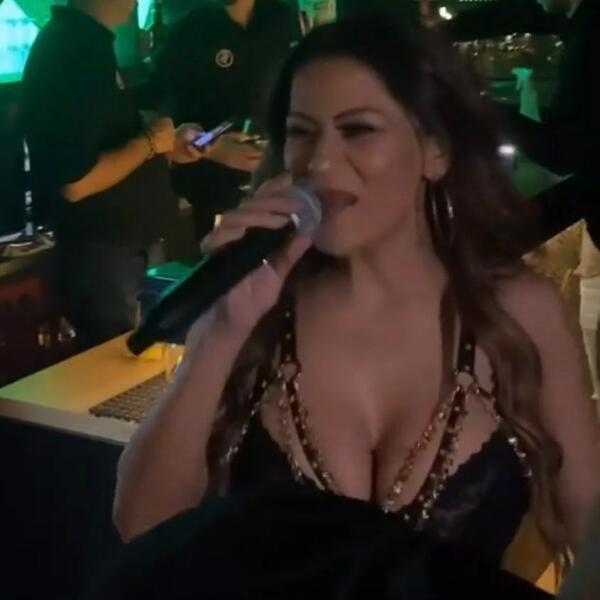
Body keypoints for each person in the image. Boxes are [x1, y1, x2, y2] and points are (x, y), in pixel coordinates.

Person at [106, 11, 600, 598]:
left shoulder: (519, 311)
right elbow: (144, 525)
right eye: (301, 133)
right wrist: (219, 332)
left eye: (358, 130)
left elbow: (591, 520)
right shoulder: (258, 314)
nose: (320, 163)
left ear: (435, 149)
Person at [22, 0, 207, 351]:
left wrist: (165, 148)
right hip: (105, 258)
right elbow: (77, 181)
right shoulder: (73, 48)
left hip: (122, 254)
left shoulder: (86, 41)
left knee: (148, 364)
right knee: (122, 367)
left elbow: (109, 143)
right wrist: (150, 143)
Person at [438, 0, 600, 249]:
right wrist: (444, 31)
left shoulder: (589, 39)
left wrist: (480, 108)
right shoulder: (582, 22)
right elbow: (520, 13)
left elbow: (565, 149)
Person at [142, 0, 301, 243]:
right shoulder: (191, 28)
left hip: (277, 178)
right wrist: (212, 147)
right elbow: (159, 111)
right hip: (215, 186)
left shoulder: (281, 18)